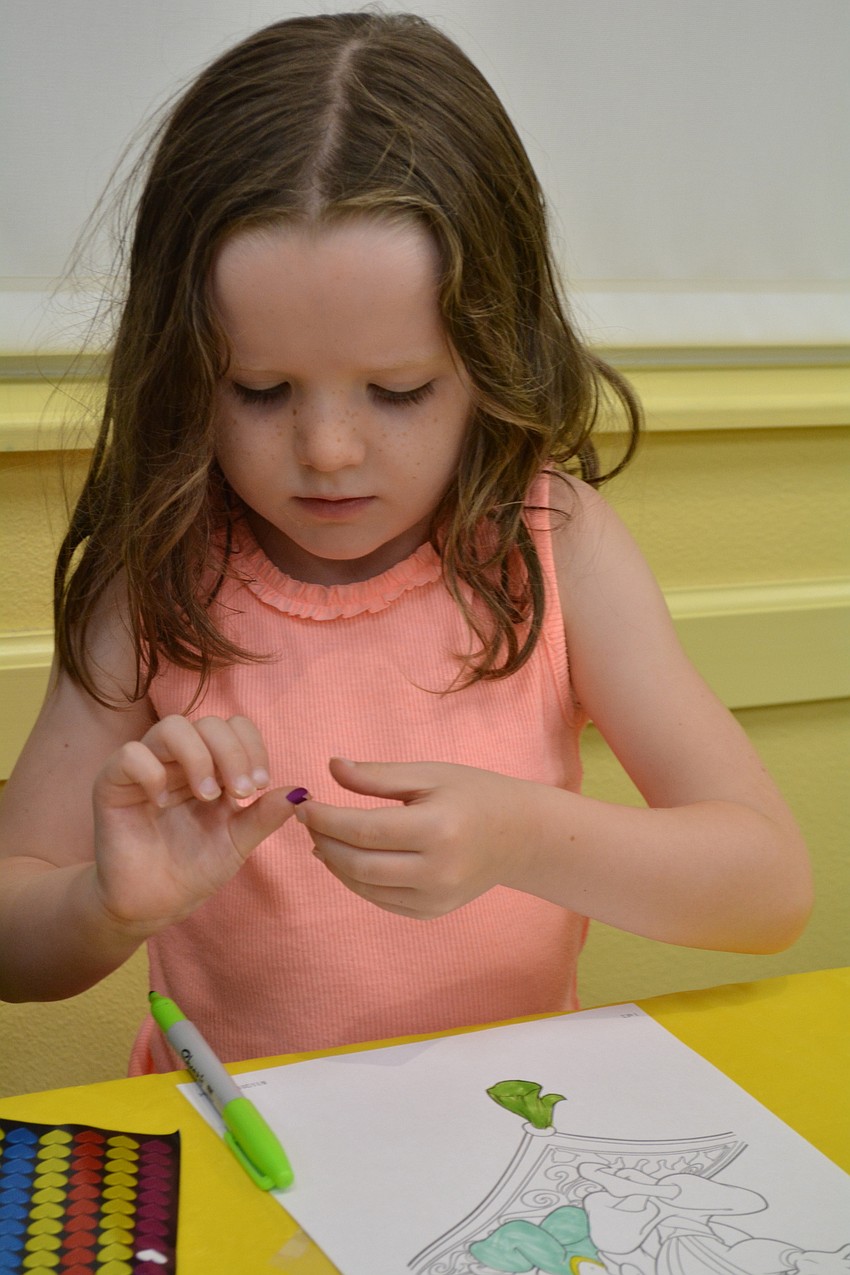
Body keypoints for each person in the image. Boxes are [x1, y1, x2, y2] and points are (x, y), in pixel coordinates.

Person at [0, 13, 811, 1073]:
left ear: (493, 350)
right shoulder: (153, 578)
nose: (327, 451)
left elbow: (768, 889)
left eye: (398, 391)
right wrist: (106, 904)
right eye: (258, 390)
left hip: (501, 1135)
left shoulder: (550, 546)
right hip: (244, 1149)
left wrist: (521, 838)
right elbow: (17, 936)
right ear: (180, 363)